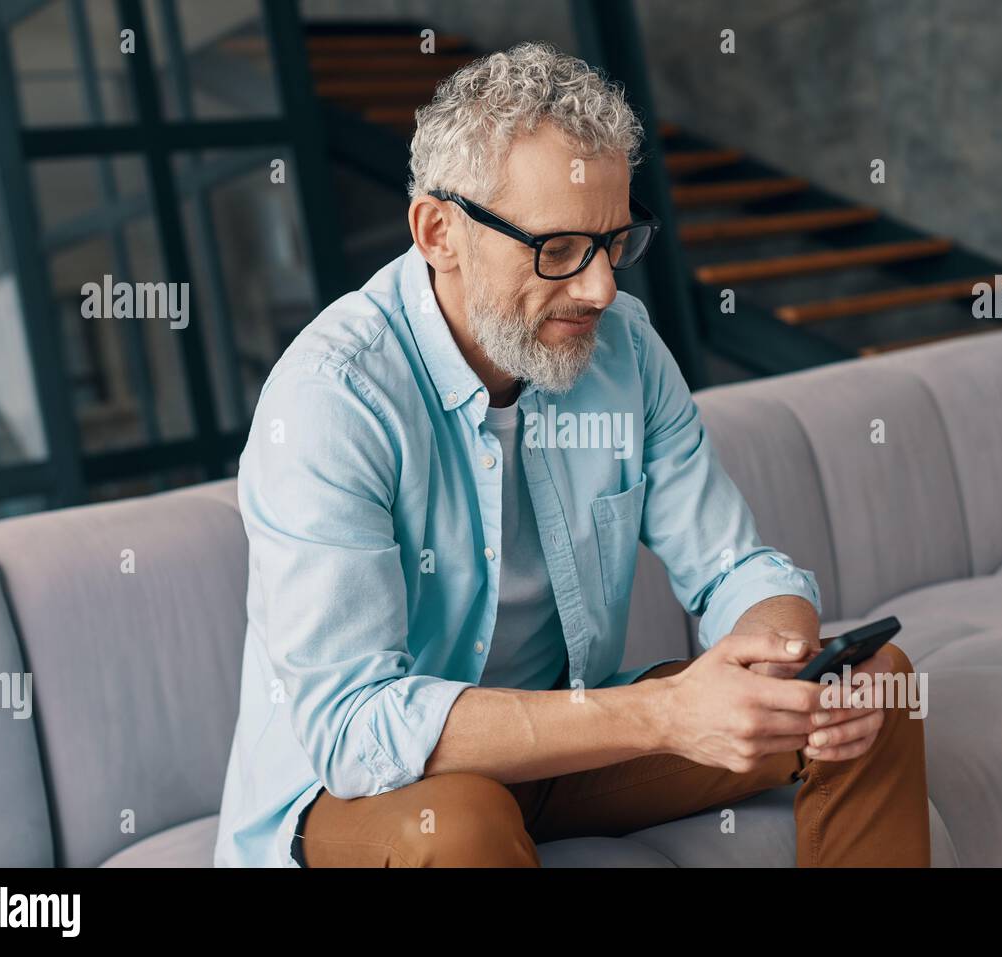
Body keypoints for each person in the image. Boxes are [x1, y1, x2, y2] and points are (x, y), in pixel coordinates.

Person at [214, 41, 928, 868]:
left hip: (563, 742)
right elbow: (355, 727)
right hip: (361, 792)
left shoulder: (622, 348)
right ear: (439, 231)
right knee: (466, 823)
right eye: (557, 250)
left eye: (613, 244)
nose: (599, 289)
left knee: (870, 684)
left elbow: (736, 567)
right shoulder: (331, 400)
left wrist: (780, 657)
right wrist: (665, 714)